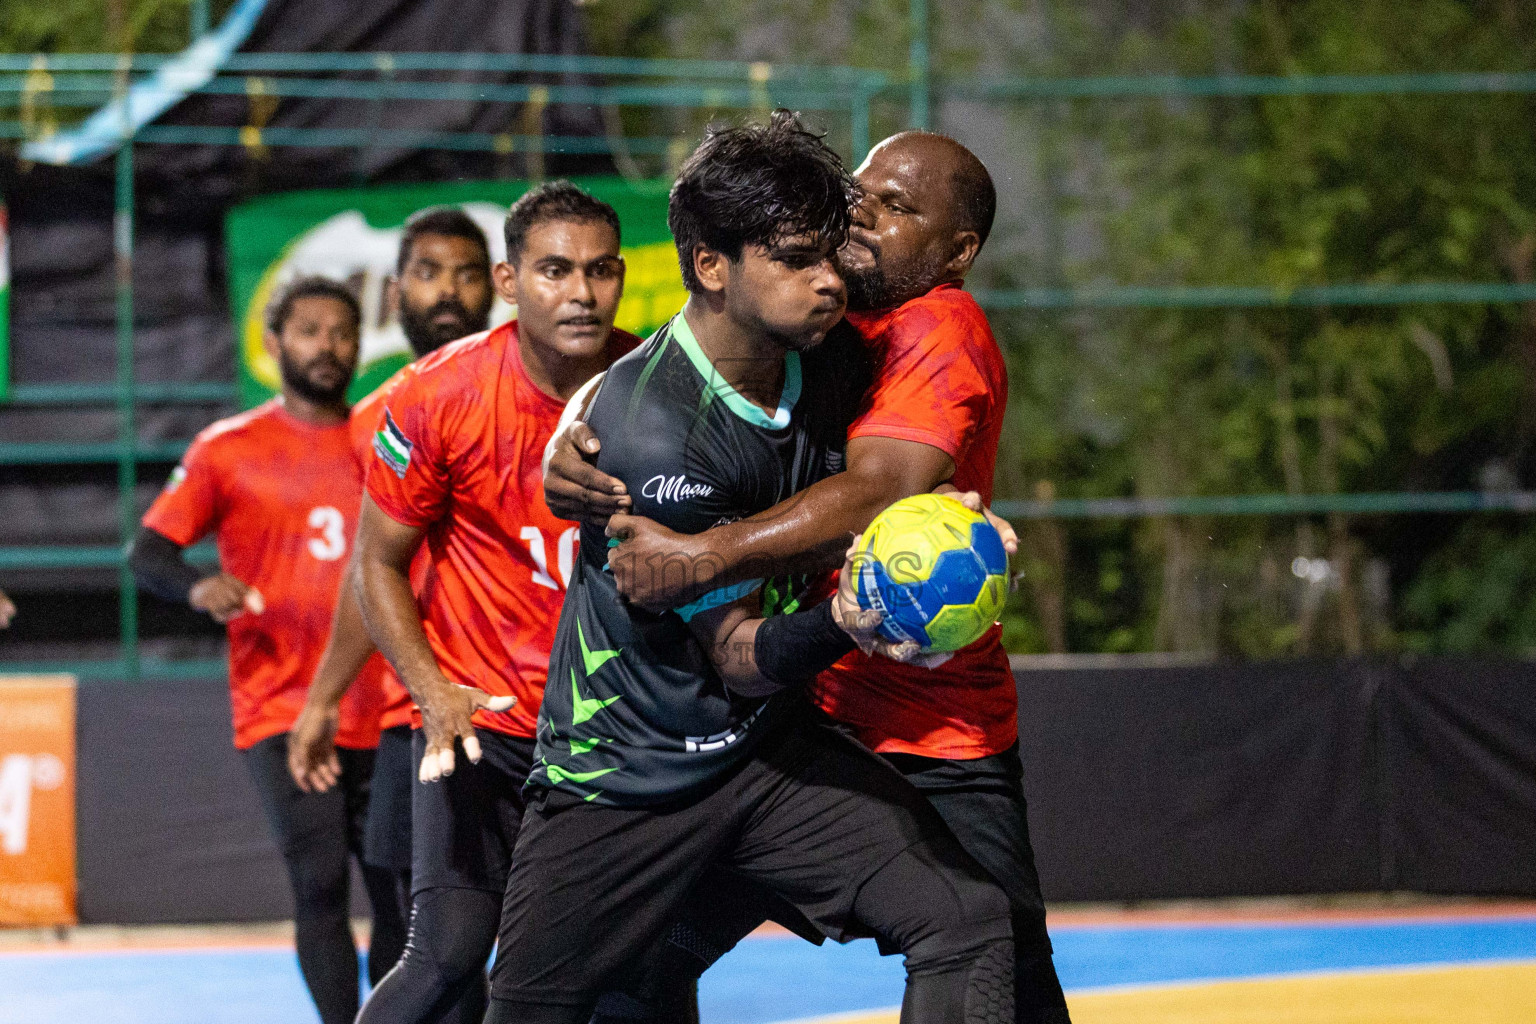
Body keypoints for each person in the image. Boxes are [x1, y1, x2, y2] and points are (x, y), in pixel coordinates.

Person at [484, 112, 1015, 1024]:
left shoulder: (826, 351)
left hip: (763, 755)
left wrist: (948, 523)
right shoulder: (653, 441)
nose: (831, 274)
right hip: (627, 779)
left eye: (832, 247)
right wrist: (850, 621)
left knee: (970, 924)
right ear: (712, 266)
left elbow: (889, 484)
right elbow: (736, 653)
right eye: (798, 258)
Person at [347, 182, 641, 1024]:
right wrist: (432, 693)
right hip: (484, 731)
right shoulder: (436, 394)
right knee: (444, 956)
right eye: (554, 271)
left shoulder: (663, 388)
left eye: (600, 270)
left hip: (619, 739)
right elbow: (376, 565)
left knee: (641, 977)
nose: (581, 293)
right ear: (510, 283)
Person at [128, 276, 403, 1024]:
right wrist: (195, 588)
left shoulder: (382, 440)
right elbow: (147, 552)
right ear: (274, 344)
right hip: (279, 702)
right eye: (310, 330)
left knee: (397, 889)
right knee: (317, 882)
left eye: (343, 331)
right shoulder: (226, 448)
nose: (329, 345)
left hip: (385, 702)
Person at [286, 207, 496, 1023]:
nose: (448, 290)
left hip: (527, 701)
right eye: (429, 271)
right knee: (415, 936)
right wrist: (325, 696)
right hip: (417, 710)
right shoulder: (376, 416)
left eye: (467, 271)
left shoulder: (544, 388)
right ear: (398, 288)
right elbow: (370, 570)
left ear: (497, 285)